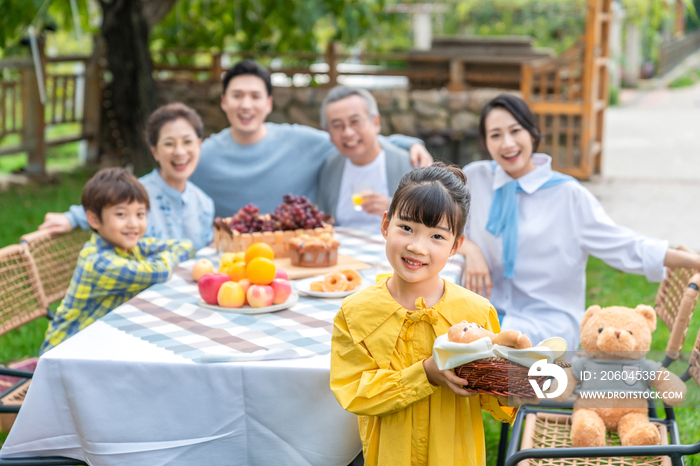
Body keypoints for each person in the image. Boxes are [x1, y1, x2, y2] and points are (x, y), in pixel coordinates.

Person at [460, 94, 700, 351]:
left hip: (546, 324)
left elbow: (624, 245)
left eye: (515, 131)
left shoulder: (568, 195)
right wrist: (468, 247)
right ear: (486, 142)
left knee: (486, 353)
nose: (507, 143)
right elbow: (436, 224)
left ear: (533, 132)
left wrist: (693, 261)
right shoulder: (474, 178)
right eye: (495, 135)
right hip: (480, 314)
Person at [330, 163, 515, 466]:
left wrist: (516, 375)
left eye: (437, 236)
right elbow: (353, 392)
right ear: (385, 224)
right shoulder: (356, 314)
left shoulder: (476, 312)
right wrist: (425, 374)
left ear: (456, 245)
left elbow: (495, 399)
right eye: (406, 228)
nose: (417, 247)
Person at [189, 59, 432, 217]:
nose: (246, 105)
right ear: (223, 101)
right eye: (237, 95)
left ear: (269, 103)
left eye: (255, 96)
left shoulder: (299, 141)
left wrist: (410, 143)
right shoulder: (204, 155)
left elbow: (354, 139)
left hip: (293, 245)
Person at [40, 168, 195, 354]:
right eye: (121, 214)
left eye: (140, 214)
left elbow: (185, 245)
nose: (133, 224)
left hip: (101, 343)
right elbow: (159, 271)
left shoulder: (129, 246)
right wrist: (160, 260)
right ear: (94, 219)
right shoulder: (98, 262)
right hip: (65, 355)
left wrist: (160, 260)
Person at [39, 103, 215, 251]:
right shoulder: (136, 193)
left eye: (187, 142)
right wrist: (71, 219)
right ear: (155, 151)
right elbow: (106, 206)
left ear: (199, 145)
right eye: (169, 143)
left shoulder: (204, 203)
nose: (179, 152)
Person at [316, 85, 413, 232]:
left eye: (355, 122)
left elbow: (431, 215)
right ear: (328, 133)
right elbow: (323, 215)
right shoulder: (331, 165)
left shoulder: (407, 163)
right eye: (337, 125)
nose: (347, 133)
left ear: (375, 122)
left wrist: (392, 206)